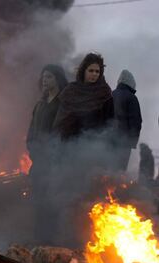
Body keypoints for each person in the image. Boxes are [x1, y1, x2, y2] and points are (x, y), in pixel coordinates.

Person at [50, 53, 114, 248]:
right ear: (83, 71)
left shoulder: (105, 94)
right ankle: (68, 238)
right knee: (68, 194)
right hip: (69, 150)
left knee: (90, 197)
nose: (94, 74)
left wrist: (101, 146)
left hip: (93, 153)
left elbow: (110, 124)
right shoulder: (70, 92)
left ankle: (88, 240)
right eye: (91, 70)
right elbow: (60, 122)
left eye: (97, 71)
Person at [26, 64, 67, 244]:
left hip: (54, 163)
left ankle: (49, 242)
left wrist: (53, 156)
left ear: (57, 79)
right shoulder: (40, 105)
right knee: (38, 201)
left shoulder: (62, 105)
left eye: (49, 77)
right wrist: (32, 149)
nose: (45, 80)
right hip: (39, 161)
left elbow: (62, 133)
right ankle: (39, 241)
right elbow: (31, 131)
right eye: (43, 76)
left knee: (51, 203)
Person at [112, 70, 142, 171]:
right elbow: (136, 122)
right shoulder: (132, 98)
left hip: (108, 141)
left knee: (108, 170)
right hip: (123, 143)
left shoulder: (111, 94)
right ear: (132, 83)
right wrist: (132, 142)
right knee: (119, 171)